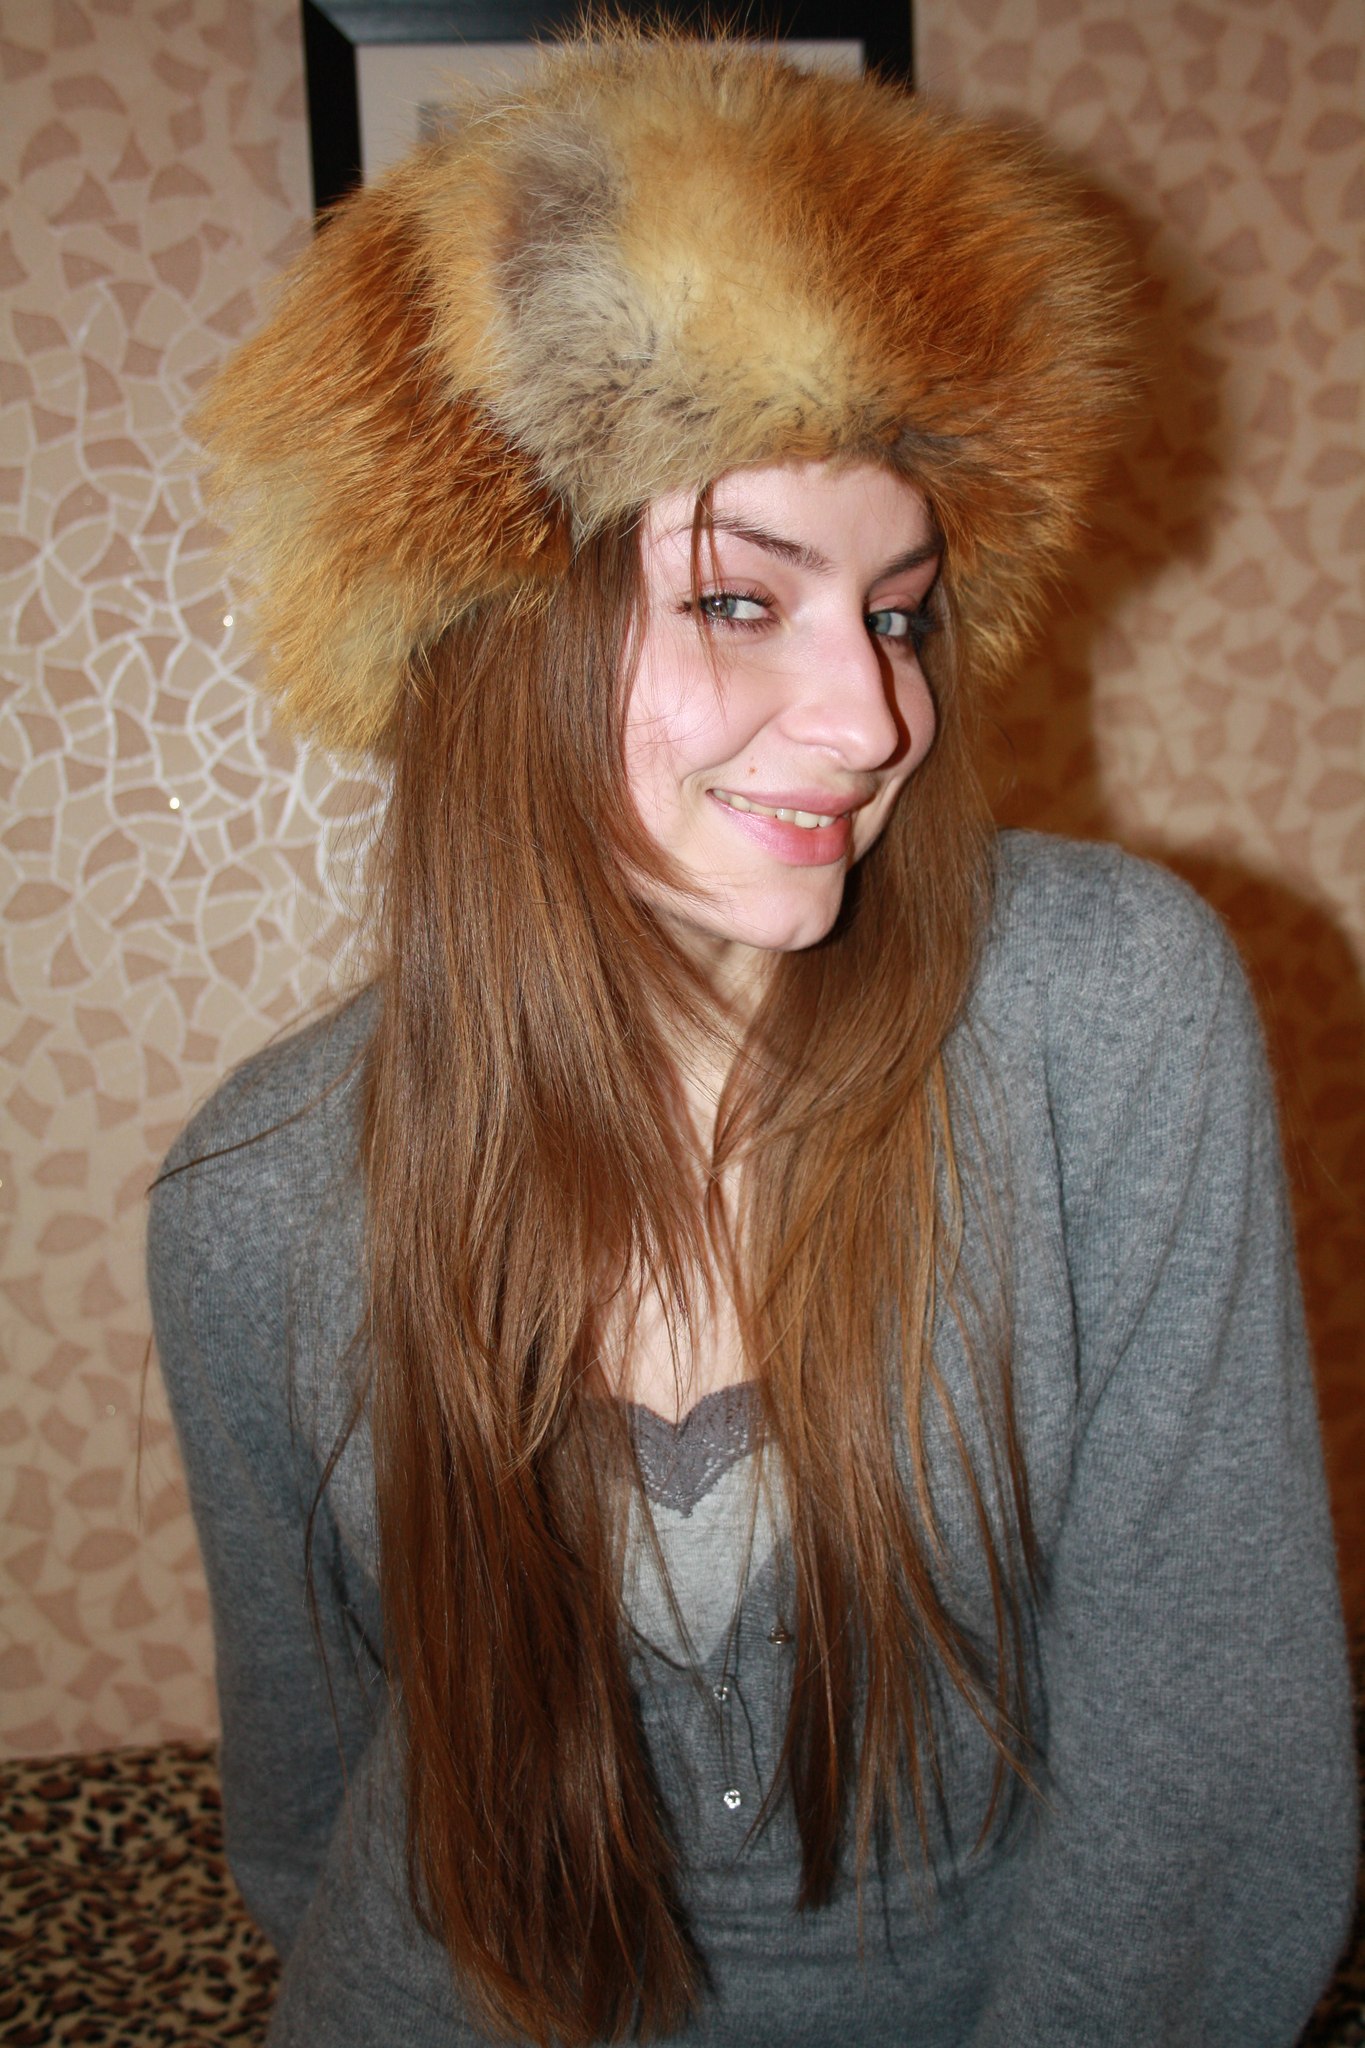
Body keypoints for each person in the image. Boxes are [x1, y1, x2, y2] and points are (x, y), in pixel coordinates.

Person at [147, 28, 1356, 2048]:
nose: (873, 719)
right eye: (737, 599)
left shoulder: (1100, 1017)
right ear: (487, 639)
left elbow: (1209, 1771)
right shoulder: (252, 1199)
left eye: (894, 610)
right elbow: (308, 1800)